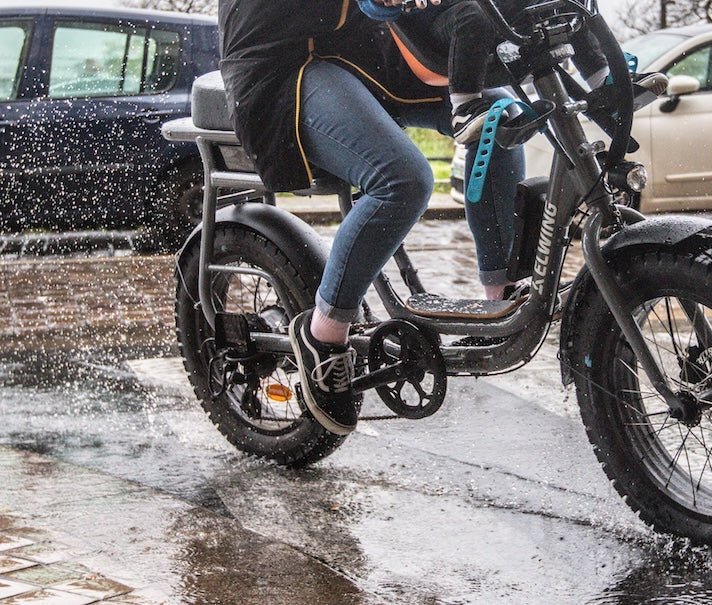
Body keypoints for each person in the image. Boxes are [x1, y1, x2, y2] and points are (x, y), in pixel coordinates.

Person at [218, 0, 525, 436]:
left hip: (370, 59)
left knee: (502, 113)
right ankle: (323, 335)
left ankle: (501, 293)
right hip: (282, 67)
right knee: (403, 179)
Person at [360, 0, 614, 144]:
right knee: (473, 17)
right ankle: (464, 108)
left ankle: (604, 82)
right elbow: (369, 6)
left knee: (566, 4)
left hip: (494, 15)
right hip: (442, 28)